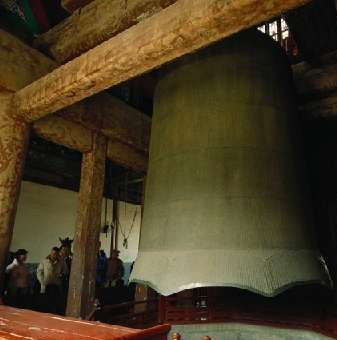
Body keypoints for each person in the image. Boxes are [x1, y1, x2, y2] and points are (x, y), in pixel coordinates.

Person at [37, 247, 68, 314]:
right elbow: (39, 272)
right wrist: (42, 281)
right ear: (51, 253)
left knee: (54, 302)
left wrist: (61, 275)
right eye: (53, 253)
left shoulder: (61, 262)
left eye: (56, 254)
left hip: (56, 285)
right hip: (46, 284)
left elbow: (65, 271)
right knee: (44, 302)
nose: (54, 255)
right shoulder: (44, 261)